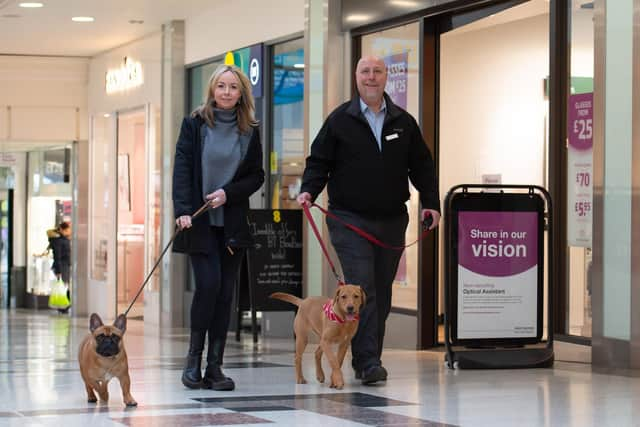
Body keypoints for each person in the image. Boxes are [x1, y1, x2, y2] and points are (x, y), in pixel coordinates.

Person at [297, 55, 440, 385]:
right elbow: (318, 160)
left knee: (381, 292)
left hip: (391, 220)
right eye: (365, 71)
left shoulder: (403, 122)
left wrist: (431, 204)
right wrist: (308, 190)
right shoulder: (339, 120)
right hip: (348, 218)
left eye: (377, 71)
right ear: (356, 77)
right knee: (364, 288)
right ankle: (367, 362)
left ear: (386, 77)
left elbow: (423, 166)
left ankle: (368, 354)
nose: (371, 77)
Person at [172, 64, 264, 391]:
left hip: (233, 225)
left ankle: (215, 367)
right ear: (212, 89)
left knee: (226, 294)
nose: (226, 92)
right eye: (221, 86)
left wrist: (229, 193)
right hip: (200, 223)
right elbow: (182, 168)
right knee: (208, 285)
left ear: (242, 93)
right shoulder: (194, 125)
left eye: (233, 87)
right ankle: (192, 362)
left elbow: (256, 176)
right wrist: (182, 210)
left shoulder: (250, 129)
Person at [47, 221, 72, 313]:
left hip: (65, 266)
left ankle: (64, 306)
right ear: (62, 229)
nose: (69, 232)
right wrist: (58, 270)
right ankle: (63, 306)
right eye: (67, 230)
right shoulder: (59, 241)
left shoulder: (64, 239)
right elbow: (57, 256)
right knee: (63, 286)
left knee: (65, 286)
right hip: (62, 266)